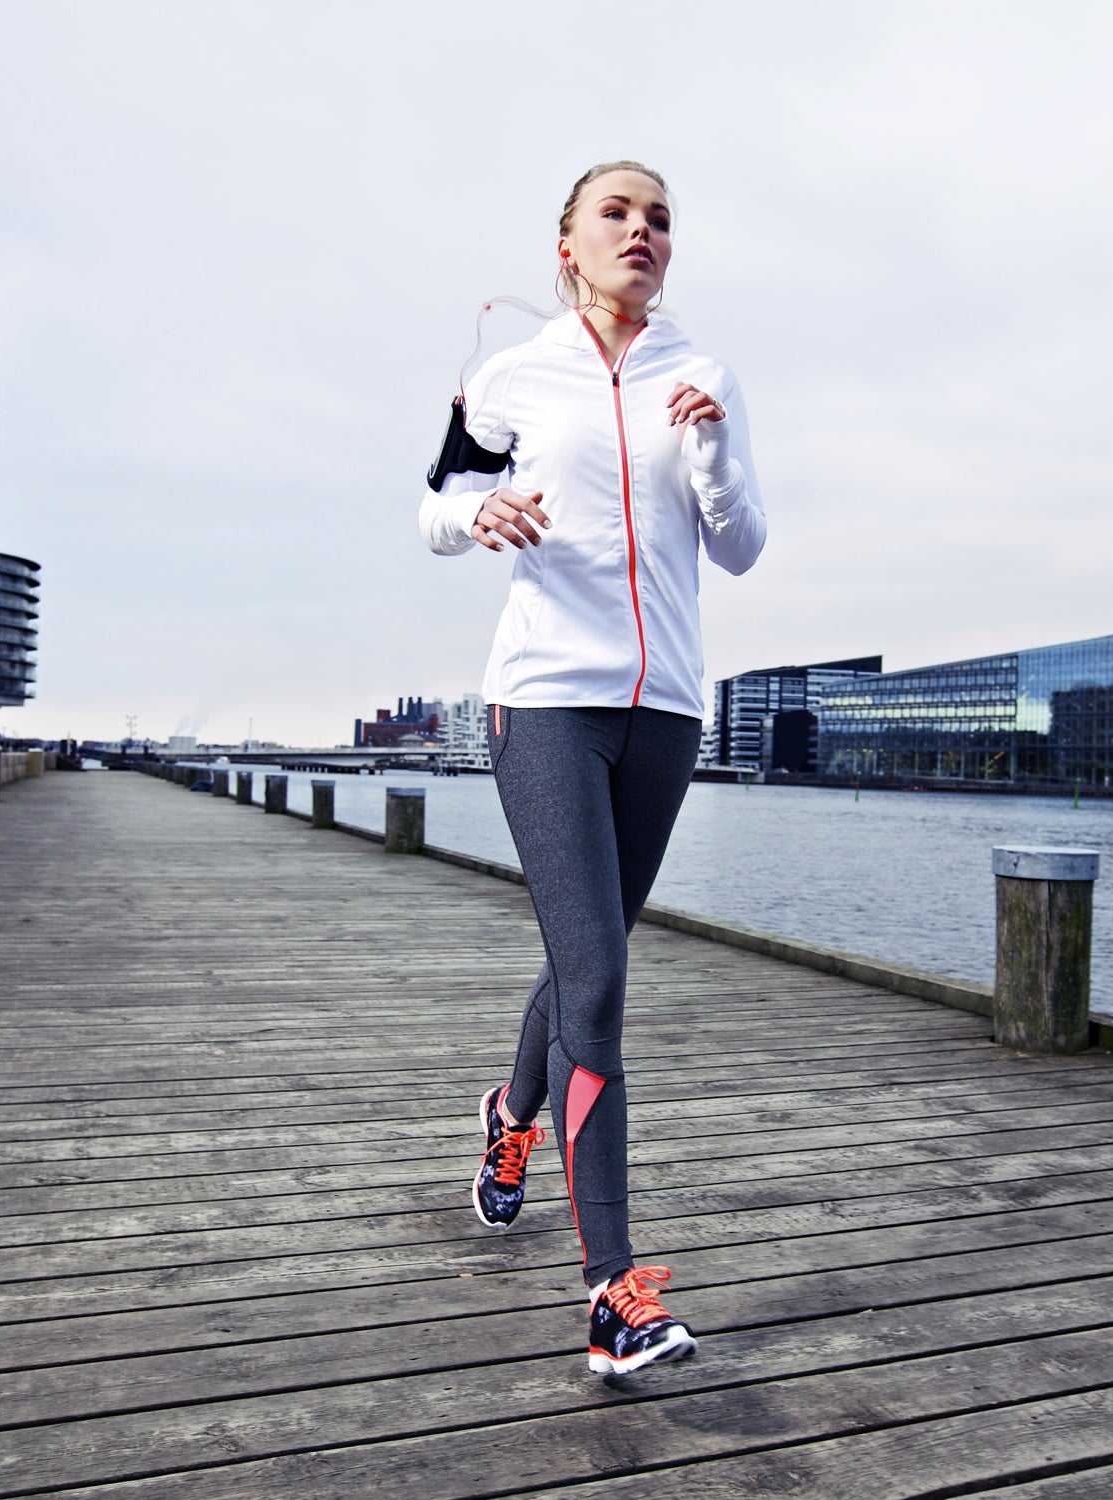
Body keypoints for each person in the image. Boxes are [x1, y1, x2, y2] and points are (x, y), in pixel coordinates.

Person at [419, 161, 766, 1376]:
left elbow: (742, 546)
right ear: (567, 244)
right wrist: (482, 516)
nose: (643, 231)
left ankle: (511, 1120)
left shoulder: (702, 376)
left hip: (666, 710)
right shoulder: (513, 373)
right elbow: (434, 505)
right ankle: (612, 1288)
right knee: (603, 975)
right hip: (548, 700)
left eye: (661, 217)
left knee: (588, 954)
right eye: (617, 213)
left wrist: (713, 452)